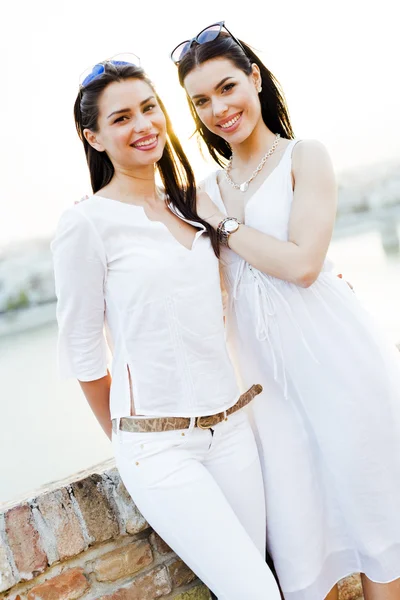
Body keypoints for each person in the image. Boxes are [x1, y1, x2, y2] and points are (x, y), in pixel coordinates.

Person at [172, 22, 400, 600]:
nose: (218, 109)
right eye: (201, 101)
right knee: (299, 551)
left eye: (227, 87)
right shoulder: (206, 190)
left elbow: (303, 264)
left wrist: (223, 224)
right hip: (266, 391)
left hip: (339, 364)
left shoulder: (305, 156)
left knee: (379, 533)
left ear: (254, 77)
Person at [51, 55, 282, 600]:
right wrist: (133, 442)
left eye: (150, 108)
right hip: (159, 449)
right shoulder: (86, 223)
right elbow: (84, 353)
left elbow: (242, 291)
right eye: (122, 118)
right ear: (94, 137)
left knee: (254, 582)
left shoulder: (193, 203)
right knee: (256, 593)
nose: (144, 125)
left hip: (231, 431)